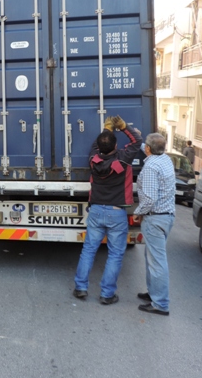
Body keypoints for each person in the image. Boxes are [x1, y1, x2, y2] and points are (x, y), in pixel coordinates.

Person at [74, 115, 142, 304]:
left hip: (96, 210)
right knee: (115, 254)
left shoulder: (93, 159)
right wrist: (124, 126)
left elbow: (97, 145)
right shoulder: (123, 159)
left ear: (99, 147)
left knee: (88, 250)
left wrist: (107, 129)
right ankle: (107, 294)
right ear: (116, 146)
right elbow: (137, 141)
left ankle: (80, 288)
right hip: (116, 212)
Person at [133, 132, 175, 316]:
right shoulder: (165, 159)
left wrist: (137, 213)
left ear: (149, 149)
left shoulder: (150, 167)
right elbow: (148, 147)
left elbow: (149, 199)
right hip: (166, 217)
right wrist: (136, 137)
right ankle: (154, 293)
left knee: (157, 262)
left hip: (155, 218)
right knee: (152, 258)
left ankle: (160, 304)